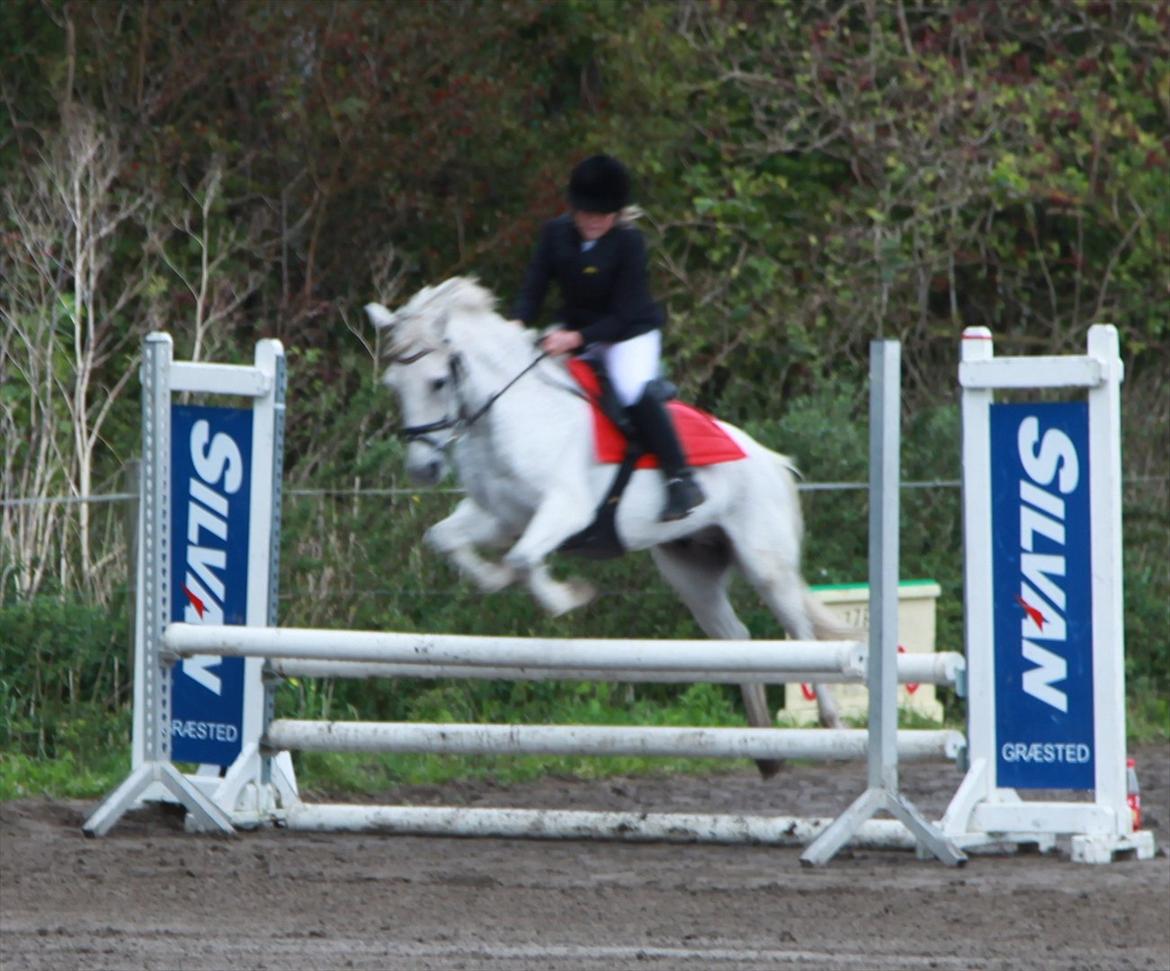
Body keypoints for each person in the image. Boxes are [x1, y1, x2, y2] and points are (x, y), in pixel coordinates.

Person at [510, 154, 705, 522]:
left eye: (603, 214)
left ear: (617, 212)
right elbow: (533, 286)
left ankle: (681, 479)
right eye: (586, 213)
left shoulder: (630, 243)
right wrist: (518, 323)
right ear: (574, 208)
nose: (594, 221)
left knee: (630, 388)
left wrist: (575, 340)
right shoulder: (555, 234)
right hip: (575, 329)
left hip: (628, 334)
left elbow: (623, 315)